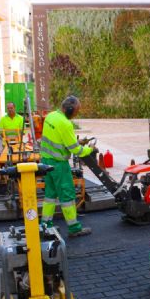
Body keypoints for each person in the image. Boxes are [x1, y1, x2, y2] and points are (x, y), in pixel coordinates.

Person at [40, 95, 94, 237]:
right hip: (59, 165)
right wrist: (90, 149)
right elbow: (76, 150)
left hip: (45, 162)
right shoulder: (65, 123)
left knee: (50, 195)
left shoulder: (51, 116)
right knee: (67, 196)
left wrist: (78, 142)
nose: (76, 114)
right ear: (69, 110)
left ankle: (45, 225)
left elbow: (58, 140)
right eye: (76, 111)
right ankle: (74, 228)